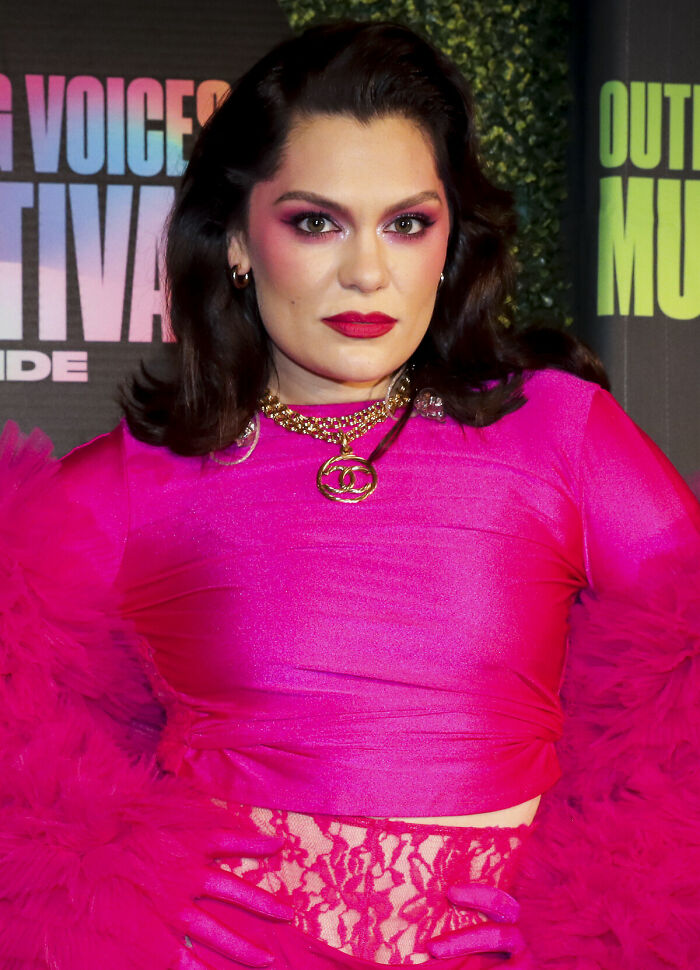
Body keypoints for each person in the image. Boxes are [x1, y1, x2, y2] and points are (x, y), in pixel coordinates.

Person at [1, 20, 699, 970]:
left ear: (451, 243)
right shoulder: (130, 481)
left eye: (407, 223)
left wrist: (612, 902)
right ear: (237, 240)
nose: (368, 272)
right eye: (315, 222)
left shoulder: (561, 433)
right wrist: (106, 883)